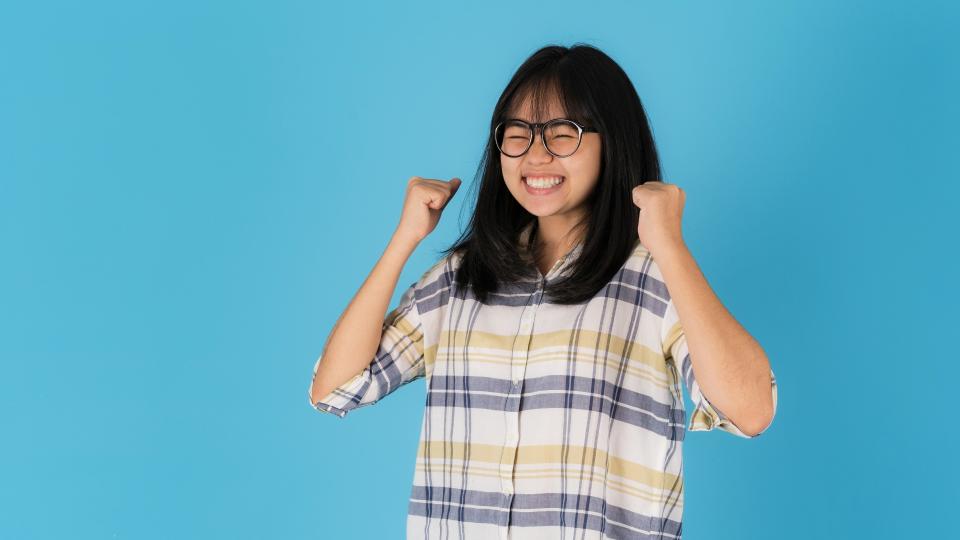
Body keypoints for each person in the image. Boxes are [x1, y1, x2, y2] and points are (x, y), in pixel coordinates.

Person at [307, 43, 778, 540]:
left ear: (612, 140)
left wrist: (670, 247)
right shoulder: (459, 280)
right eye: (518, 134)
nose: (536, 154)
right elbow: (336, 387)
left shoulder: (653, 279)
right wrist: (404, 239)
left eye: (562, 133)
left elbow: (750, 411)